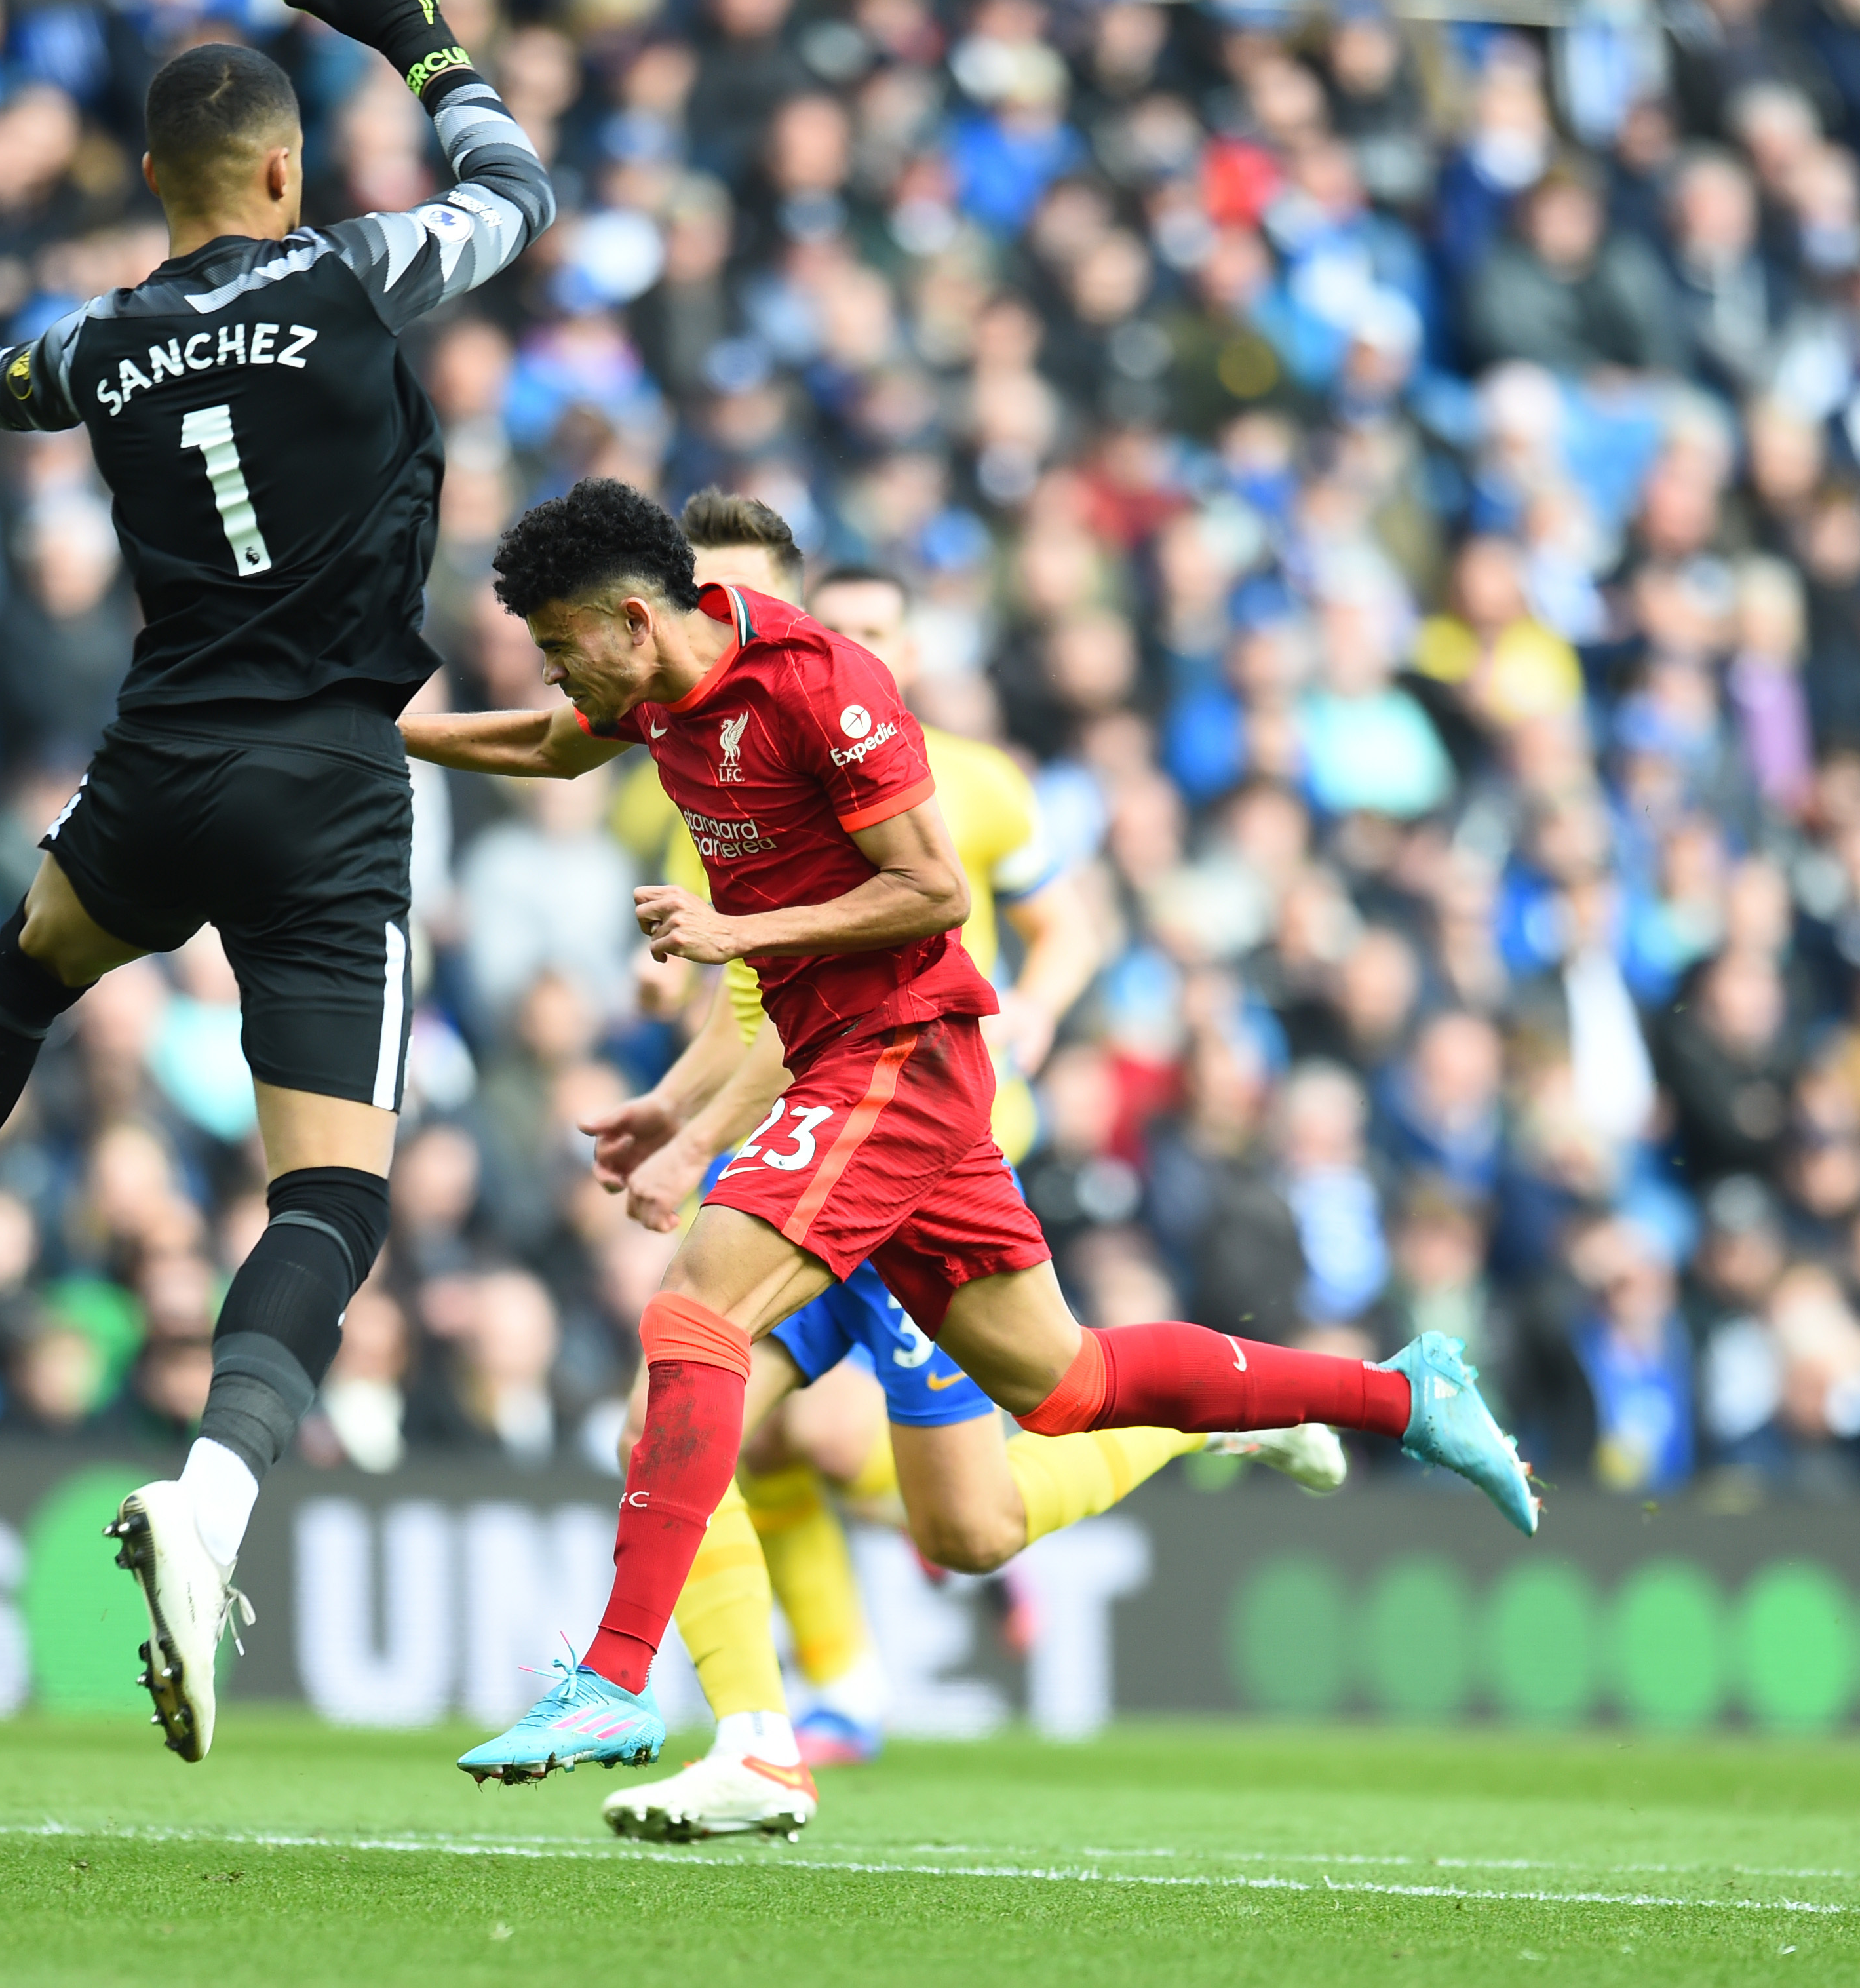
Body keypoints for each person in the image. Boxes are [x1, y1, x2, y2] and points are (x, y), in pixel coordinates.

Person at [400, 478, 1540, 1784]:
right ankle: (1403, 1392)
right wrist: (382, 737)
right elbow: (549, 748)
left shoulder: (824, 687)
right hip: (855, 1072)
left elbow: (935, 892)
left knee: (692, 1325)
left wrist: (739, 934)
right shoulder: (652, 694)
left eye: (560, 648)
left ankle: (623, 1684)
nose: (555, 674)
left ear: (631, 621)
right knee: (1062, 1390)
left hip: (898, 1059)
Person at [0, 13, 554, 1767]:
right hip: (329, 785)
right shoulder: (353, 270)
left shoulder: (110, 338)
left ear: (154, 182)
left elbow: (2, 383)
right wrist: (421, 42)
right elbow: (516, 188)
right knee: (331, 1201)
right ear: (277, 168)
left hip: (159, 766)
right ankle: (214, 1503)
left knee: (25, 974)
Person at [586, 497, 1340, 1835]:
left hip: (927, 1138)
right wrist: (683, 1092)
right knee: (712, 1424)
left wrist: (1039, 1002)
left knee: (924, 1495)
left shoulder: (969, 783)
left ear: (902, 650)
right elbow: (753, 992)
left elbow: (1065, 918)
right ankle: (819, 1707)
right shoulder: (704, 761)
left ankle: (1206, 1410)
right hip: (803, 1125)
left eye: (871, 629)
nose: (831, 641)